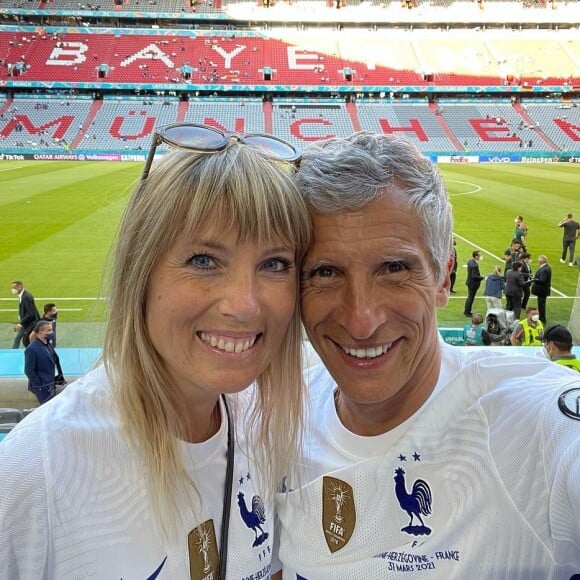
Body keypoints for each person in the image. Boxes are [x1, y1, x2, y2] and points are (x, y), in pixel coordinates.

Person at [0, 124, 311, 579]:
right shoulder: (36, 471)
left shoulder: (267, 430)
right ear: (139, 274)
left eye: (275, 264)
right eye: (204, 261)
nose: (244, 305)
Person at [273, 131, 580, 579]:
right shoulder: (276, 420)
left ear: (443, 276)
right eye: (324, 272)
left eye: (395, 269)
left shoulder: (532, 423)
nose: (362, 320)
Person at [23, 319, 58, 405]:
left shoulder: (48, 344)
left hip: (50, 383)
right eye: (49, 330)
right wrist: (40, 386)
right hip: (42, 386)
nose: (52, 332)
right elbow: (28, 370)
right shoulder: (32, 349)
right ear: (40, 332)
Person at [10, 280, 40, 349]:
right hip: (27, 322)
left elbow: (30, 313)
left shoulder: (26, 297)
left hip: (30, 323)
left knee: (27, 339)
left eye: (14, 288)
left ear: (20, 287)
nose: (12, 290)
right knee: (18, 338)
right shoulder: (23, 295)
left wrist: (20, 324)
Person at [531, 254, 552, 324]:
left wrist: (534, 279)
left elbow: (542, 280)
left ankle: (542, 319)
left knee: (541, 305)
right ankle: (541, 318)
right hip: (542, 290)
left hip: (542, 291)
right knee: (541, 305)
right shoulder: (545, 267)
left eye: (538, 260)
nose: (538, 261)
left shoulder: (545, 269)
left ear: (541, 261)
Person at [464, 250, 484, 317]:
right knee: (471, 298)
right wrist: (482, 277)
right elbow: (474, 276)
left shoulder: (470, 261)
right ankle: (467, 312)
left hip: (469, 282)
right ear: (476, 256)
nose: (480, 257)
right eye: (479, 255)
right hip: (473, 284)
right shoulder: (475, 265)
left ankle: (467, 311)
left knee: (469, 297)